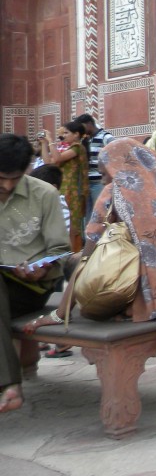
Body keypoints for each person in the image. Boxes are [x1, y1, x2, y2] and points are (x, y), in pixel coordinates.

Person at [22, 139, 156, 395]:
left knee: (102, 272)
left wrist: (59, 314)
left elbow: (87, 257)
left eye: (105, 172)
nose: (104, 178)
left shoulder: (115, 193)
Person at [0, 134, 69, 414]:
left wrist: (42, 269)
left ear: (27, 169)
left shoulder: (44, 194)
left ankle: (9, 385)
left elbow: (60, 250)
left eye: (14, 179)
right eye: (1, 179)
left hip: (32, 288)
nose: (7, 186)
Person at [38, 121, 89, 252]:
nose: (63, 136)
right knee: (63, 222)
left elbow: (57, 159)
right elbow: (48, 162)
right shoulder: (66, 148)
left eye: (66, 133)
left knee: (73, 225)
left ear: (76, 134)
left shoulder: (78, 147)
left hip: (74, 191)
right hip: (63, 189)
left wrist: (51, 141)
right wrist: (44, 144)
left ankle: (73, 253)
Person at [73, 113, 115, 213]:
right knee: (88, 214)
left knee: (101, 211)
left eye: (82, 127)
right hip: (86, 182)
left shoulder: (105, 137)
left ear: (89, 124)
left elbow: (115, 153)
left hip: (99, 182)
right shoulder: (85, 140)